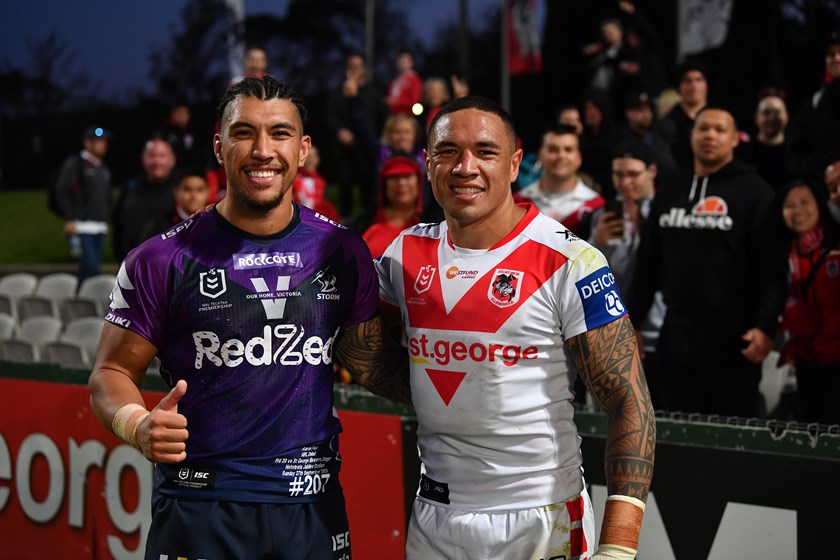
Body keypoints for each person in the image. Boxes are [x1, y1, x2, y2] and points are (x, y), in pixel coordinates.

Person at [89, 76, 411, 559]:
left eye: (279, 133)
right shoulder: (159, 258)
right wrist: (137, 425)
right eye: (244, 133)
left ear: (302, 149)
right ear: (219, 146)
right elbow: (110, 374)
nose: (263, 150)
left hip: (312, 508)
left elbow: (368, 363)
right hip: (201, 505)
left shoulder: (341, 250)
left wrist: (477, 387)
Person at [375, 95, 655, 560]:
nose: (465, 167)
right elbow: (359, 348)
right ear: (428, 164)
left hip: (541, 522)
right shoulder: (403, 254)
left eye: (485, 152)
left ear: (514, 164)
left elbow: (629, 401)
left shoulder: (570, 260)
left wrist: (619, 547)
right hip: (433, 517)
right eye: (448, 152)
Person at [629, 106, 784, 417]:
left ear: (735, 139)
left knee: (729, 444)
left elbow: (773, 268)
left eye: (719, 129)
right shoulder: (671, 189)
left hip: (734, 342)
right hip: (675, 339)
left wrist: (766, 326)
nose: (710, 135)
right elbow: (647, 263)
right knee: (678, 440)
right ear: (692, 135)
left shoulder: (756, 192)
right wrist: (630, 322)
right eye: (703, 129)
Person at [589, 140, 666, 408]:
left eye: (633, 174)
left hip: (660, 328)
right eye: (618, 175)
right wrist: (596, 243)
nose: (624, 182)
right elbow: (592, 275)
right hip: (616, 331)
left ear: (652, 171)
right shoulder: (604, 215)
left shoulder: (666, 211)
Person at [772, 180, 840, 425]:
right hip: (806, 359)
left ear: (819, 205)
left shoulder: (836, 246)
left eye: (804, 202)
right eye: (789, 205)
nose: (797, 210)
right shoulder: (779, 255)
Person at [325, 52, 388, 220]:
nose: (353, 69)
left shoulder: (373, 92)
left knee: (368, 186)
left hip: (367, 150)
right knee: (345, 184)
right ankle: (345, 221)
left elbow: (382, 117)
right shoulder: (337, 93)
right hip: (344, 150)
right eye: (350, 66)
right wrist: (339, 131)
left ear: (364, 69)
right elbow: (331, 117)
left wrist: (376, 139)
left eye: (357, 66)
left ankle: (367, 222)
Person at [515, 125, 605, 238]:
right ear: (540, 155)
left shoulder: (596, 205)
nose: (561, 156)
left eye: (568, 150)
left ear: (579, 157)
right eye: (553, 149)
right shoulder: (517, 202)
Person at [52, 125, 113, 285]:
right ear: (87, 143)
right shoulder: (76, 163)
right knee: (90, 267)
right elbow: (62, 189)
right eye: (99, 141)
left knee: (94, 268)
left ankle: (87, 303)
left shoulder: (102, 168)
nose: (103, 144)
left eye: (104, 141)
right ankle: (79, 303)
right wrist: (70, 218)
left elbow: (106, 196)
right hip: (81, 226)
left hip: (99, 226)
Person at [111, 137, 179, 261]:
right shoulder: (130, 188)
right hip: (132, 265)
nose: (156, 161)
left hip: (170, 267)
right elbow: (117, 226)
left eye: (162, 156)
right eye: (151, 155)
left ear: (172, 160)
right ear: (143, 159)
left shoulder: (182, 190)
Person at [361, 155, 423, 258]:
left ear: (419, 182)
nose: (401, 183)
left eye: (407, 176)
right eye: (394, 177)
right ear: (384, 184)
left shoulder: (436, 223)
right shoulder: (364, 222)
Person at [737, 87, 792, 193]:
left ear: (787, 116)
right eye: (766, 113)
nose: (772, 117)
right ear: (756, 117)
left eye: (777, 112)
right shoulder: (743, 153)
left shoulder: (797, 152)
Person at [658, 61, 709, 170]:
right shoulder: (666, 122)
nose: (694, 86)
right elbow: (662, 158)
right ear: (679, 87)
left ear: (706, 85)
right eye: (687, 81)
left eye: (699, 80)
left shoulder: (721, 117)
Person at [138, 173, 210, 241]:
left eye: (200, 190)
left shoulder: (213, 223)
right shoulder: (157, 226)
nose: (194, 196)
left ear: (208, 192)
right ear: (176, 193)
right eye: (187, 189)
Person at [291, 144, 339, 222]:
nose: (311, 159)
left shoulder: (321, 182)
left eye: (314, 156)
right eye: (308, 155)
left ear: (318, 160)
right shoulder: (293, 179)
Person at [385, 49, 423, 116]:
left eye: (405, 60)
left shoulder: (414, 79)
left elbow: (415, 100)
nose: (402, 62)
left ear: (411, 62)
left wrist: (397, 103)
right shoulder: (395, 80)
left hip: (407, 115)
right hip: (393, 114)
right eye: (400, 60)